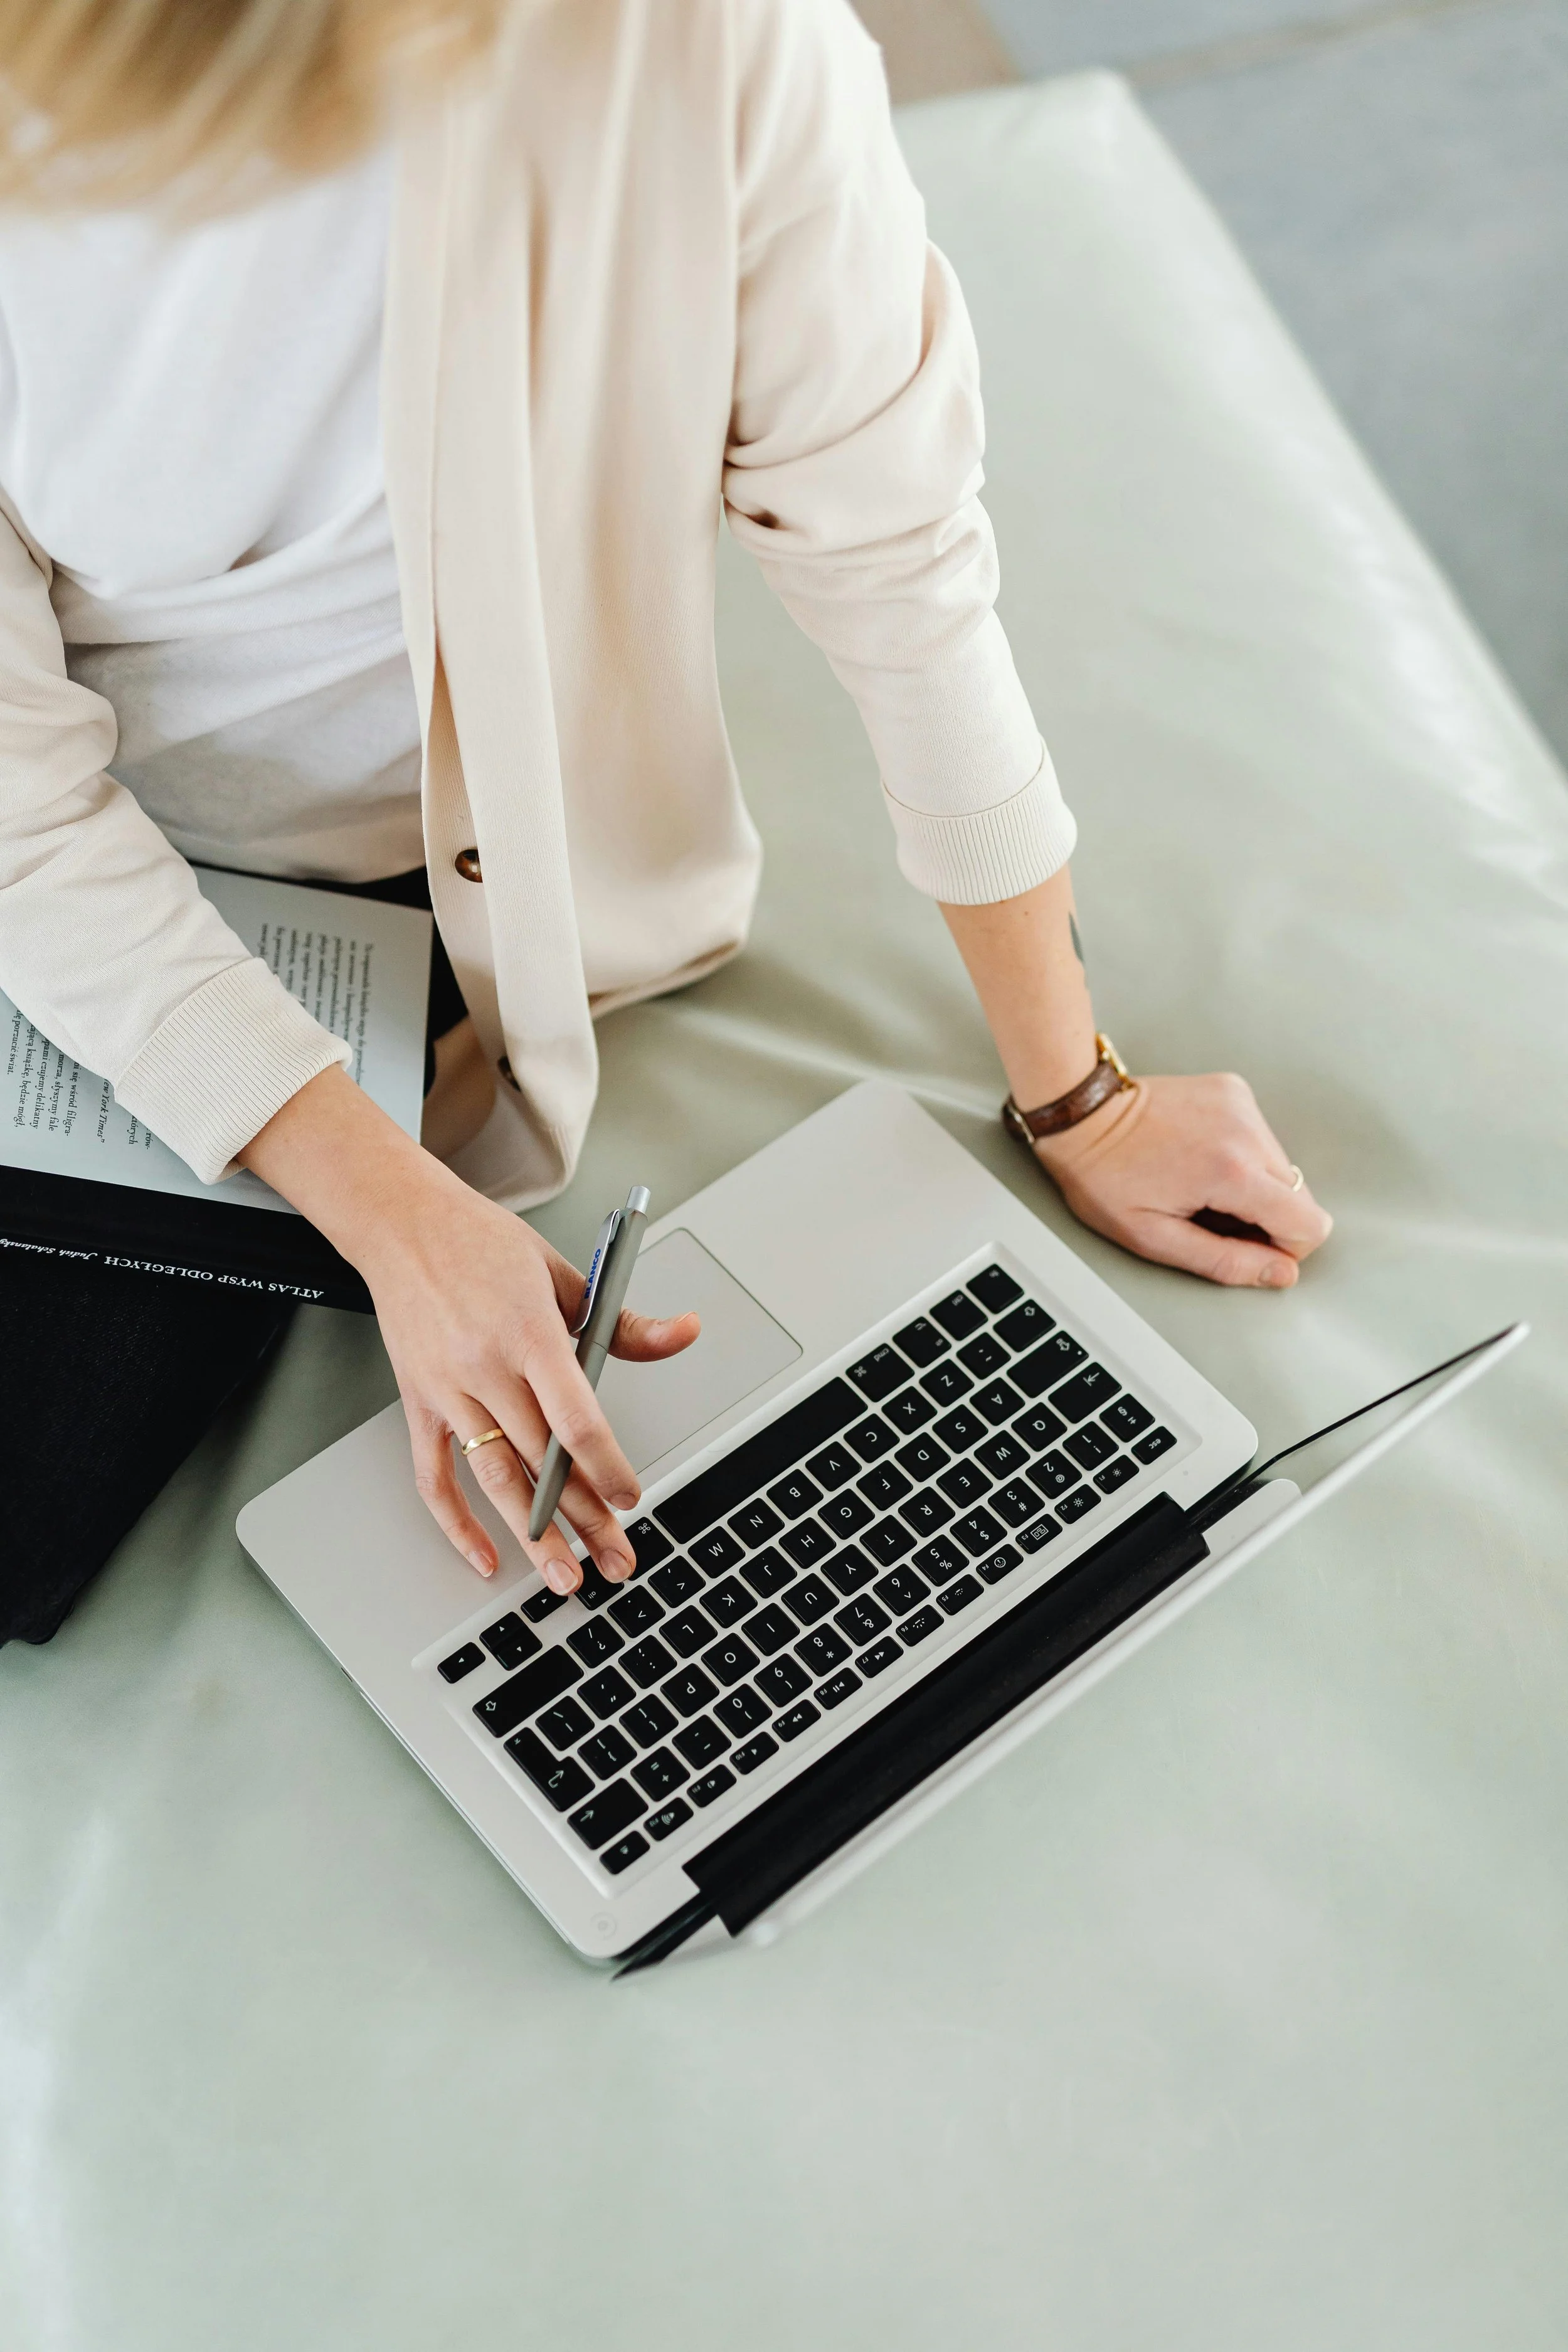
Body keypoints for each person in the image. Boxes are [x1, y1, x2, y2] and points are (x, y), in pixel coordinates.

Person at [0, 0, 1331, 1645]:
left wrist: (1078, 1089)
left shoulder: (698, 44)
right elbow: (19, 810)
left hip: (418, 897)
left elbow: (889, 550)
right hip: (87, 870)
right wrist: (392, 1207)